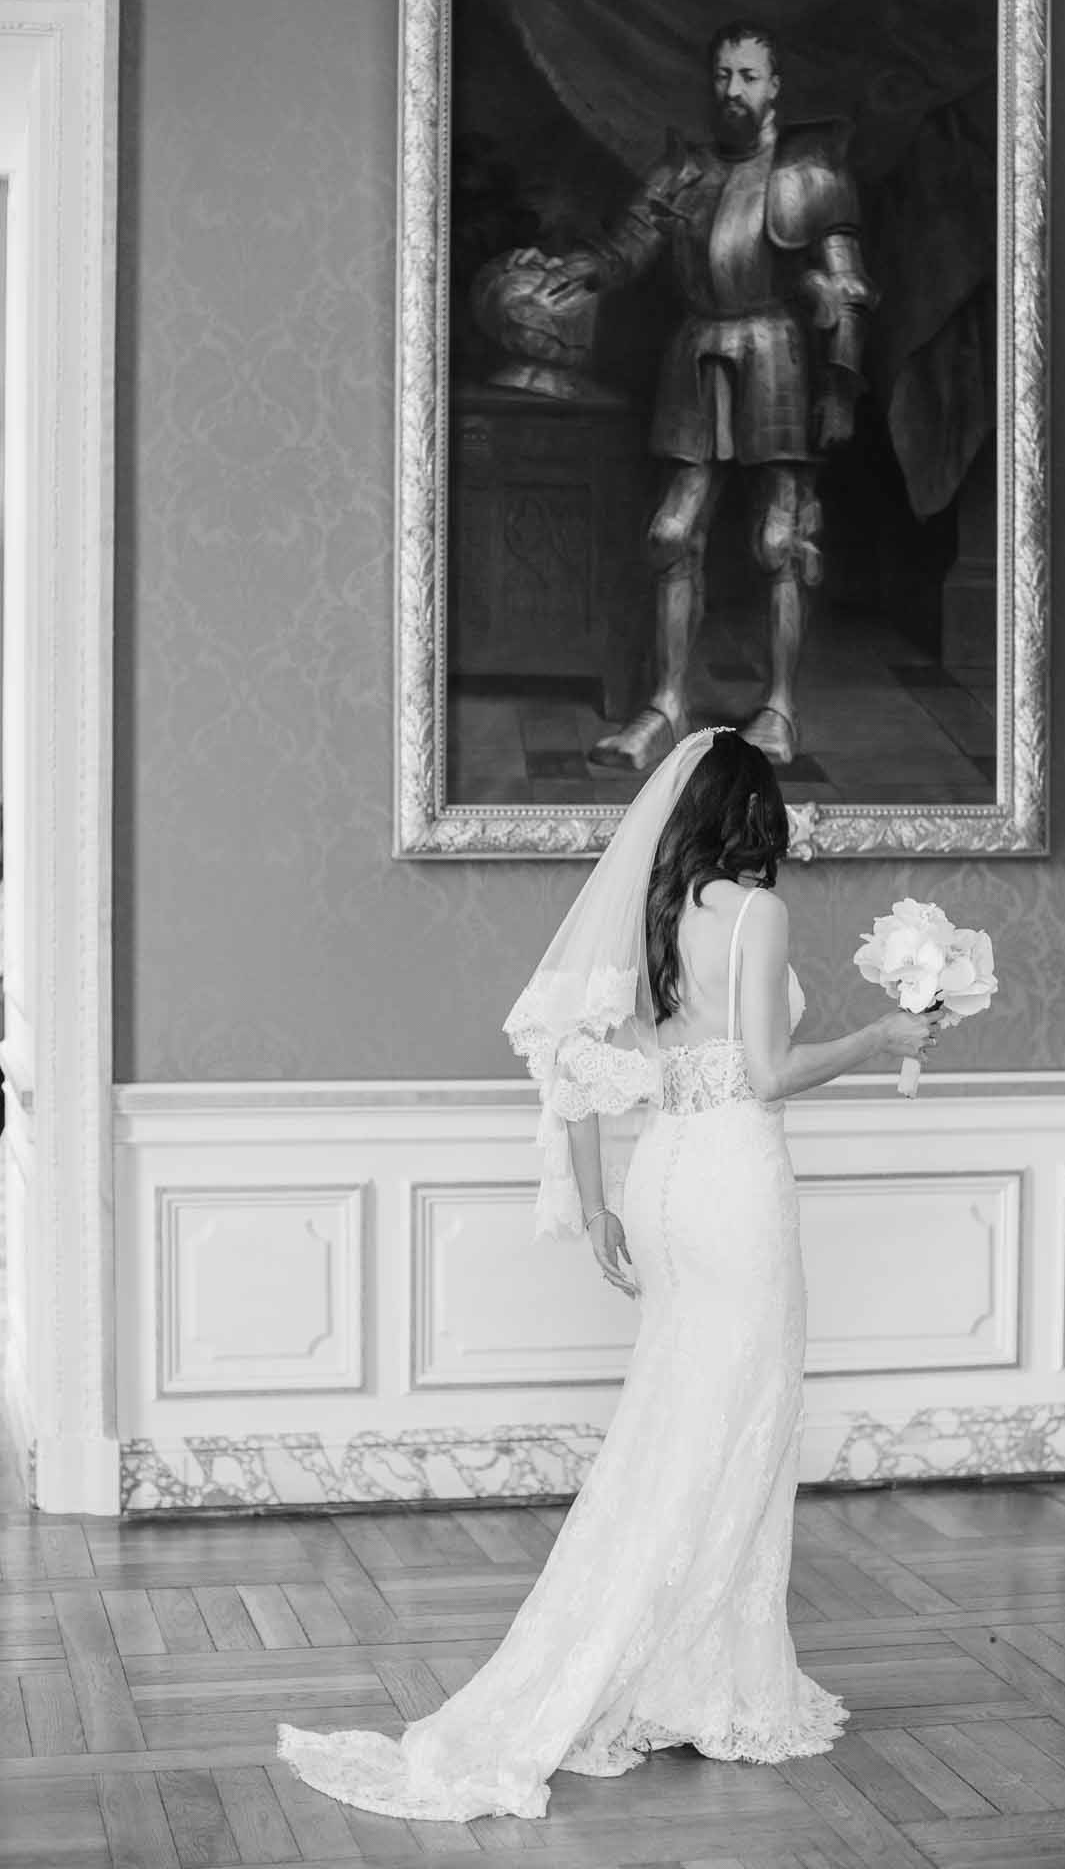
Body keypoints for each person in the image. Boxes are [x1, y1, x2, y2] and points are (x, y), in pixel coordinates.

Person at [276, 728, 937, 1822]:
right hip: (734, 1180)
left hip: (662, 1179)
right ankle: (706, 1684)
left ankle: (676, 1672)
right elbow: (767, 1073)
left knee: (676, 1425)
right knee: (741, 1423)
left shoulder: (650, 913)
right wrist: (881, 1036)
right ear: (753, 814)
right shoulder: (757, 914)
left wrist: (595, 1207)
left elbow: (572, 1063)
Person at [546, 24, 875, 773]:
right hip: (696, 352)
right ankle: (666, 705)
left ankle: (779, 708)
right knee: (670, 534)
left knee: (782, 541)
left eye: (748, 76)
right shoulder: (683, 173)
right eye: (723, 75)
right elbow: (628, 248)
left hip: (778, 354)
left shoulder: (809, 175)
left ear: (774, 85)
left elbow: (847, 289)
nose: (733, 90)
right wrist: (585, 268)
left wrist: (840, 385)